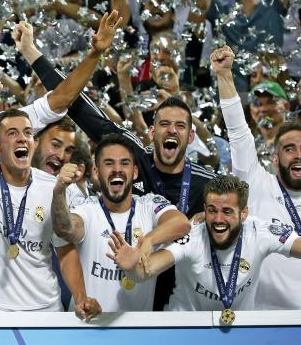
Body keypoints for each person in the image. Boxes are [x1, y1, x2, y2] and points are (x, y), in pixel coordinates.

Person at [25, 35, 217, 310]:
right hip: (128, 283)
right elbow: (80, 107)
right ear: (151, 132)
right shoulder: (130, 154)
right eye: (164, 124)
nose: (172, 131)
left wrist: (207, 218)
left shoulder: (206, 182)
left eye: (180, 126)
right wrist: (32, 53)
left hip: (179, 295)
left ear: (191, 136)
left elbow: (236, 212)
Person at [0, 59, 101, 317]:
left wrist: (80, 297)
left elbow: (64, 249)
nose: (22, 138)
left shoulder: (52, 187)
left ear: (34, 142)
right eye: (12, 133)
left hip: (46, 312)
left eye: (28, 133)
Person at [108, 175, 301, 318]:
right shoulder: (192, 237)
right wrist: (132, 268)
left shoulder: (260, 232)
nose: (218, 219)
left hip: (238, 331)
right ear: (204, 209)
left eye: (227, 211)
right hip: (186, 328)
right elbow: (146, 271)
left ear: (244, 214)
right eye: (212, 210)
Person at [52, 134, 190, 312]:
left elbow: (181, 222)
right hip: (89, 321)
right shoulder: (87, 208)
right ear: (96, 172)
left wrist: (148, 240)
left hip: (136, 325)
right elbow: (66, 228)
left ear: (135, 172)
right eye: (109, 163)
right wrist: (59, 190)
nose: (117, 169)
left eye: (124, 163)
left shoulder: (149, 204)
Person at [214, 45, 301, 309]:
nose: (298, 155)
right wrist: (224, 75)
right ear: (275, 158)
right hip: (265, 322)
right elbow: (238, 133)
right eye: (289, 149)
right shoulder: (258, 184)